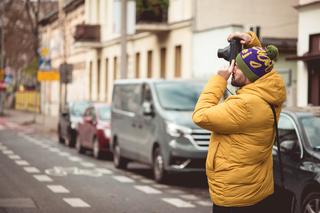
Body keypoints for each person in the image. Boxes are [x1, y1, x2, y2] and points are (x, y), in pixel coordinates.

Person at [192, 31, 286, 213]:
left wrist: (219, 80)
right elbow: (263, 67)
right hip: (253, 187)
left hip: (236, 196)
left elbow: (200, 115)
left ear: (251, 75)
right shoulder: (268, 92)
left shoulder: (246, 104)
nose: (233, 68)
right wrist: (252, 43)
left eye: (238, 67)